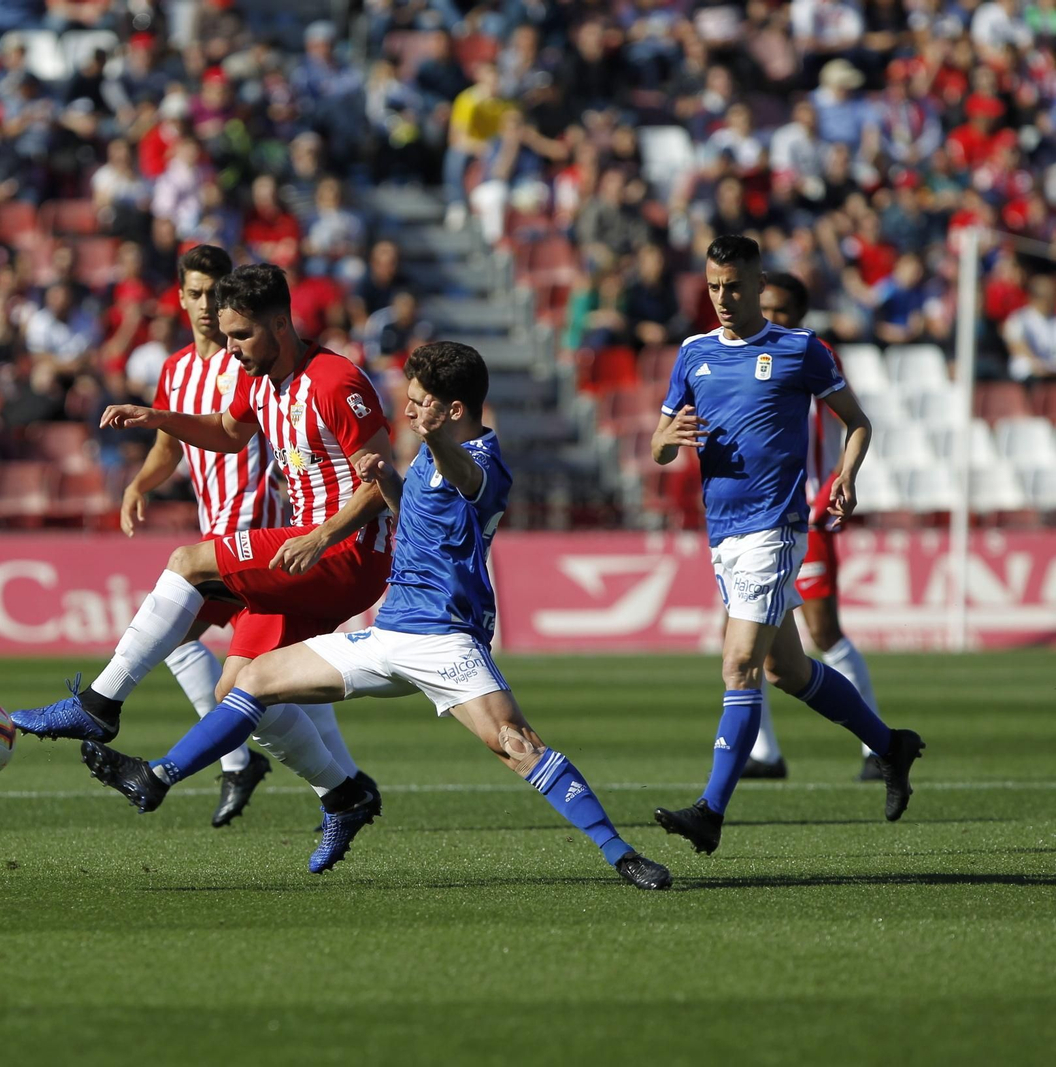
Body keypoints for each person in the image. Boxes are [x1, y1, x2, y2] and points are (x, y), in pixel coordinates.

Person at [81, 342, 673, 889]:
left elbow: (466, 482)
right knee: (250, 680)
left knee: (517, 745)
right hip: (387, 633)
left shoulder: (483, 462)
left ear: (454, 410)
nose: (407, 411)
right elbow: (418, 516)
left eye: (420, 403)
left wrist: (432, 444)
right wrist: (388, 481)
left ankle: (622, 854)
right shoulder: (426, 455)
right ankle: (157, 778)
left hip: (445, 640)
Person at [12, 264, 394, 872]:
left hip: (346, 554)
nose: (231, 346)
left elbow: (382, 481)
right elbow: (226, 431)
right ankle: (344, 794)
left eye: (241, 334)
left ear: (279, 324)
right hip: (306, 552)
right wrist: (160, 419)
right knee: (238, 689)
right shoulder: (259, 378)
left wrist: (322, 535)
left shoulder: (335, 381)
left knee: (188, 562)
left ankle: (99, 705)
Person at [648, 236, 925, 856]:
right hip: (722, 532)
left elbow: (858, 421)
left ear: (758, 284)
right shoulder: (693, 353)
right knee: (786, 670)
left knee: (738, 665)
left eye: (734, 287)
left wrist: (846, 475)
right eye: (713, 287)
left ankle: (710, 811)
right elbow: (659, 445)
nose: (723, 298)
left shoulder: (800, 350)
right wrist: (669, 439)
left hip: (775, 529)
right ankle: (890, 746)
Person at [120, 245, 290, 827]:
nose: (203, 306)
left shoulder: (250, 363)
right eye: (194, 293)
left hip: (256, 532)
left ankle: (241, 763)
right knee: (272, 674)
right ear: (180, 297)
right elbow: (168, 446)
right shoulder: (175, 370)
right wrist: (139, 484)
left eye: (214, 295)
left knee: (178, 638)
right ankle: (342, 786)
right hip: (213, 533)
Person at [740, 272, 890, 782]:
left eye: (781, 310)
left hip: (806, 513)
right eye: (766, 308)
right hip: (756, 518)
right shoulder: (741, 354)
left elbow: (850, 421)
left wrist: (836, 483)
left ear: (801, 315)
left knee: (823, 632)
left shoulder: (811, 353)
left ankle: (876, 747)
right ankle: (763, 753)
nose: (771, 317)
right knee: (743, 637)